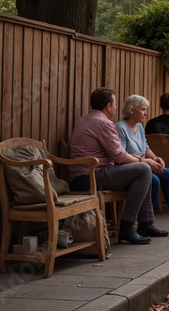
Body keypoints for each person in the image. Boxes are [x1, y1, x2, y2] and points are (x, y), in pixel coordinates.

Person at [68, 88, 160, 245]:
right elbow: (120, 156)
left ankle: (144, 224)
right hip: (92, 176)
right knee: (144, 170)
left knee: (144, 171)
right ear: (108, 107)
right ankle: (127, 226)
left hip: (80, 176)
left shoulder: (83, 120)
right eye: (115, 104)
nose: (116, 107)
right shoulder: (104, 123)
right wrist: (146, 162)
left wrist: (142, 160)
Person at [115, 95, 169, 231]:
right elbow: (121, 155)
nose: (146, 113)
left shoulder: (141, 127)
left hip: (145, 165)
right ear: (132, 110)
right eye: (143, 110)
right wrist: (146, 161)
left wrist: (155, 158)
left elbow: (145, 147)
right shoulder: (120, 128)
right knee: (154, 179)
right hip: (132, 168)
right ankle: (147, 222)